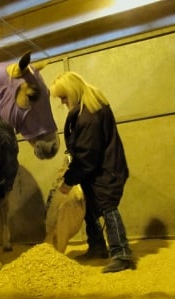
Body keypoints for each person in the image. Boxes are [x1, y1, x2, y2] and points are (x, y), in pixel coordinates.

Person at [50, 71, 134, 273]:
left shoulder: (89, 116)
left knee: (108, 206)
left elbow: (87, 155)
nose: (62, 101)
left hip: (105, 170)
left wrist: (68, 182)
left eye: (63, 97)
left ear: (72, 91)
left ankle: (121, 253)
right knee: (90, 207)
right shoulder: (86, 110)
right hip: (99, 169)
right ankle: (97, 247)